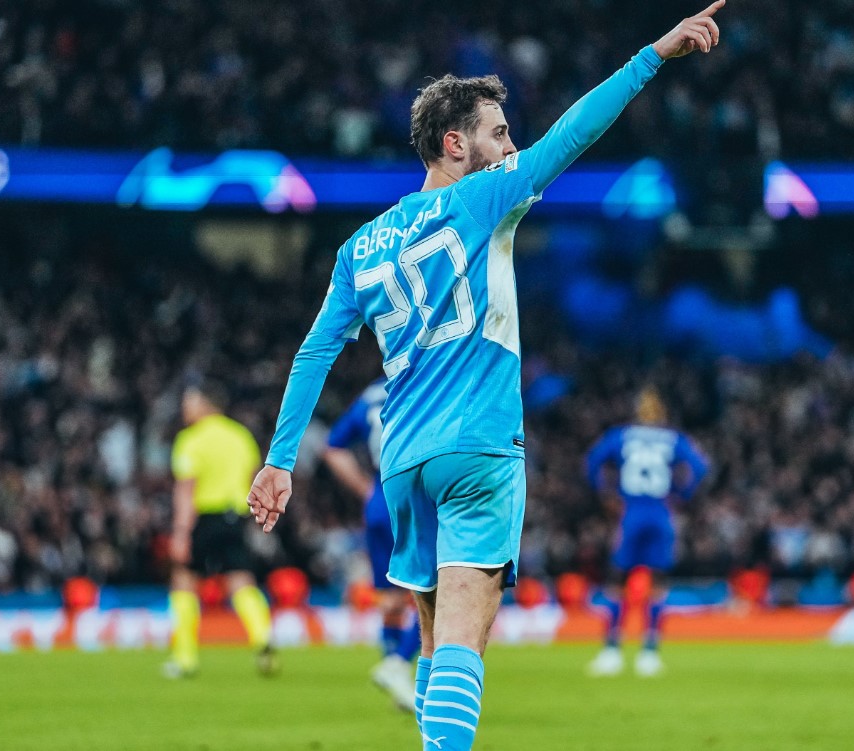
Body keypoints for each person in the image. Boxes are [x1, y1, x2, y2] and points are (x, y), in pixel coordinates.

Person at [248, 6, 726, 748]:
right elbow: (573, 134)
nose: (510, 148)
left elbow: (314, 353)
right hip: (476, 447)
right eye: (498, 134)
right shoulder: (485, 196)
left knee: (433, 643)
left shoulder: (358, 248)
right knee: (465, 641)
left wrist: (280, 459)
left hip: (402, 460)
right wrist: (652, 56)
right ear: (454, 143)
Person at [584, 388, 707, 677]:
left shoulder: (621, 436)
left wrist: (606, 494)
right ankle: (649, 652)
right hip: (660, 512)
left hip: (632, 512)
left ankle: (612, 649)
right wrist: (681, 494)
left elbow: (592, 461)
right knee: (657, 583)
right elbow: (699, 467)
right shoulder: (673, 439)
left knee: (618, 580)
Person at [165, 382, 277, 678]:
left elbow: (186, 489)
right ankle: (262, 637)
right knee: (240, 579)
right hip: (235, 516)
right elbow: (253, 476)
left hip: (204, 517)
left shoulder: (191, 439)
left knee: (184, 580)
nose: (184, 407)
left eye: (190, 401)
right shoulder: (240, 435)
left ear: (206, 404)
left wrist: (180, 532)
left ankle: (185, 658)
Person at [324, 378, 422, 712]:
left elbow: (332, 447)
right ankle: (398, 663)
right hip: (414, 495)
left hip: (379, 499)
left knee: (391, 596)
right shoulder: (425, 376)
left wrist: (366, 489)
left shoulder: (369, 394)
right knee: (438, 589)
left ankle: (397, 683)